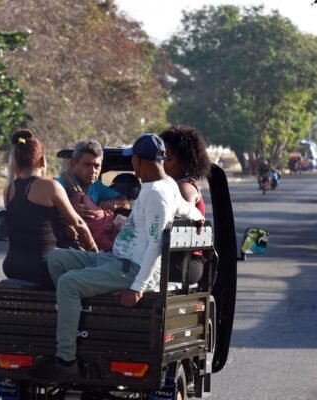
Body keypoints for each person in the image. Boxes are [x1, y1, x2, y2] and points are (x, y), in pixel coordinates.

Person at [28, 133, 205, 382]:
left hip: (131, 269)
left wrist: (137, 288)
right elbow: (184, 207)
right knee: (57, 258)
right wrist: (198, 217)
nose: (132, 164)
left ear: (139, 161)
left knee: (68, 283)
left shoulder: (157, 194)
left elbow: (156, 245)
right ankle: (80, 320)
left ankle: (66, 360)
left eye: (133, 159)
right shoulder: (165, 185)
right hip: (115, 260)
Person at [2, 129, 98, 288]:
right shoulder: (50, 186)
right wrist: (94, 252)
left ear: (17, 162)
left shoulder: (8, 190)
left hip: (11, 267)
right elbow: (78, 223)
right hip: (44, 268)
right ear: (42, 160)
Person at [159, 125, 210, 285]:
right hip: (177, 259)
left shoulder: (184, 187)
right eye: (160, 157)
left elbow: (179, 225)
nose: (162, 163)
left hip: (184, 262)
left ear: (185, 162)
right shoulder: (172, 185)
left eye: (168, 159)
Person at [56, 139, 128, 251]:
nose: (93, 171)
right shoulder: (58, 186)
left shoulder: (96, 186)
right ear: (72, 164)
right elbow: (41, 214)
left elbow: (125, 202)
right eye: (87, 165)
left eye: (97, 166)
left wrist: (115, 203)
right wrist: (67, 212)